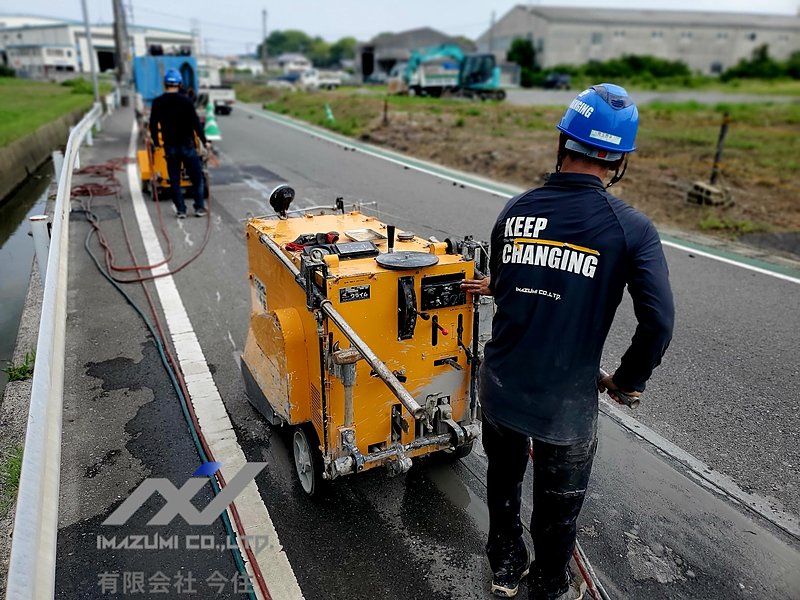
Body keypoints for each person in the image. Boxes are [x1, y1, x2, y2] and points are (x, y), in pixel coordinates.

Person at [461, 83, 674, 599]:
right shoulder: (631, 230)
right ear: (619, 161)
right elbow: (659, 322)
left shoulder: (516, 211)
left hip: (503, 388)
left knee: (504, 487)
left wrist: (498, 285)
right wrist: (628, 381)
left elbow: (516, 285)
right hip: (565, 404)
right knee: (557, 509)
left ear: (563, 142)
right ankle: (548, 585)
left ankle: (506, 570)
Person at [149, 68, 209, 218]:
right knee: (197, 178)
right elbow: (196, 123)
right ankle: (199, 208)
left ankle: (181, 210)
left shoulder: (158, 102)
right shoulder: (186, 101)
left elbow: (153, 125)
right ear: (180, 83)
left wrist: (156, 143)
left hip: (170, 147)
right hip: (187, 145)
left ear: (165, 84)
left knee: (174, 180)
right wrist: (204, 141)